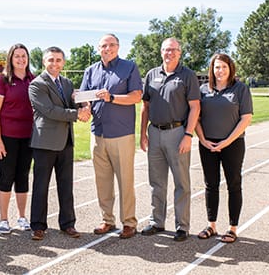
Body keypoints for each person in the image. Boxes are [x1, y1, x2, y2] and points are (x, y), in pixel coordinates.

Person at [79, 33, 142, 239]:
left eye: (111, 45)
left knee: (125, 180)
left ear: (118, 47)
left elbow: (136, 96)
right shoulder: (90, 71)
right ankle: (107, 219)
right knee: (102, 180)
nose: (107, 49)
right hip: (98, 134)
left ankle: (129, 222)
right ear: (99, 48)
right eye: (104, 46)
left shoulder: (129, 67)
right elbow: (83, 97)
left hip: (121, 134)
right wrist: (85, 107)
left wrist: (112, 97)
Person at [140, 37, 200, 242]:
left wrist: (188, 135)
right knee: (156, 181)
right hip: (154, 132)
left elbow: (195, 107)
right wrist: (142, 134)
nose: (170, 53)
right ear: (161, 52)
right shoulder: (151, 74)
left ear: (180, 53)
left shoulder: (188, 75)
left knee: (181, 182)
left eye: (174, 50)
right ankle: (157, 221)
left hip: (177, 133)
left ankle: (182, 226)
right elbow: (145, 107)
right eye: (166, 49)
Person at [28, 46, 91, 241]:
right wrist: (77, 114)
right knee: (41, 186)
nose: (54, 63)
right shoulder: (37, 85)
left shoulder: (67, 83)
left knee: (66, 185)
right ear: (43, 62)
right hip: (44, 143)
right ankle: (38, 226)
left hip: (66, 142)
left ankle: (68, 224)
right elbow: (50, 110)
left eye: (58, 60)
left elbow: (72, 103)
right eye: (51, 60)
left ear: (63, 63)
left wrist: (84, 104)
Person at [195, 53, 253, 244]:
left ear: (231, 69)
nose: (220, 71)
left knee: (233, 184)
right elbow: (196, 117)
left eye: (224, 67)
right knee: (210, 185)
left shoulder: (240, 89)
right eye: (217, 67)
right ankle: (211, 225)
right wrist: (203, 139)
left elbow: (246, 118)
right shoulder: (203, 90)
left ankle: (232, 228)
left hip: (233, 144)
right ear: (212, 69)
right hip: (208, 144)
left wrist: (227, 141)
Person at [0, 43, 34, 234]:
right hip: (7, 137)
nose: (21, 59)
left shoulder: (34, 80)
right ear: (11, 58)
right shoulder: (3, 80)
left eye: (24, 56)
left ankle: (22, 217)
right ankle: (3, 219)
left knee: (23, 177)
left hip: (29, 137)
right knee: (6, 176)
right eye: (17, 56)